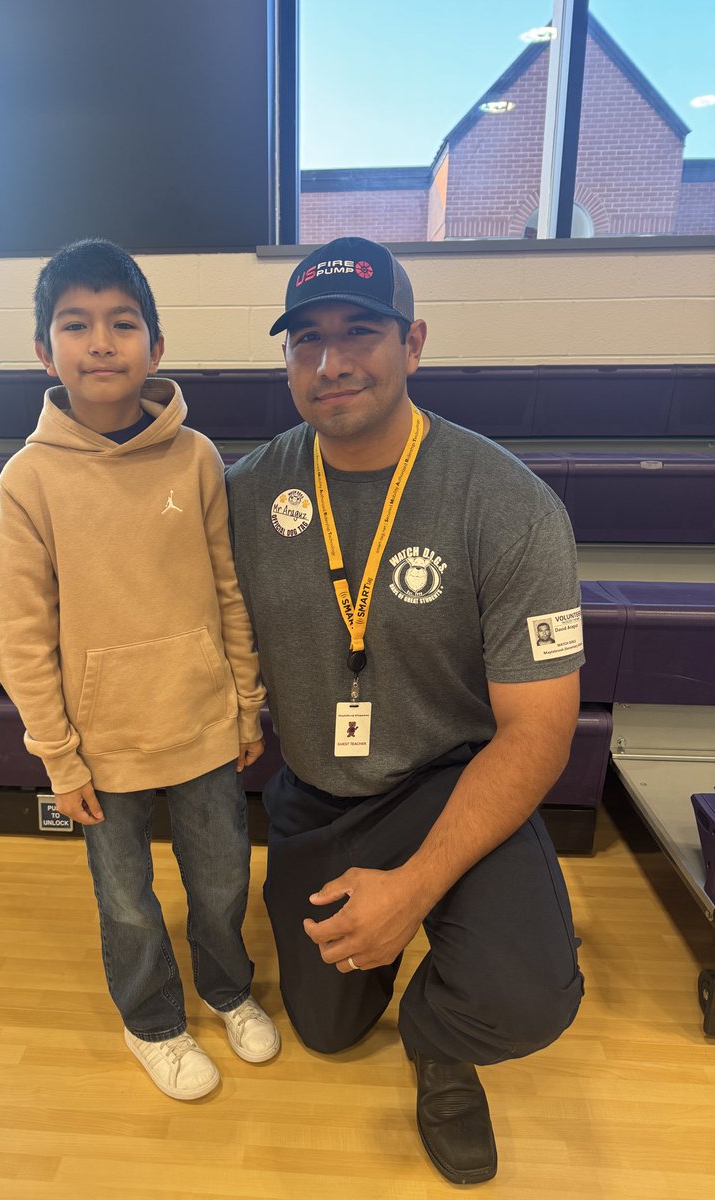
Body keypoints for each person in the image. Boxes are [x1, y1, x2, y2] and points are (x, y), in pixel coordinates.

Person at [226, 236, 585, 1184]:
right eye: (305, 340)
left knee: (530, 998)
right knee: (327, 1030)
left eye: (360, 333)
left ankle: (440, 1044)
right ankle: (376, 944)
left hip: (450, 778)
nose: (331, 362)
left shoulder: (507, 506)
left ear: (413, 343)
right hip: (317, 790)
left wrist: (415, 888)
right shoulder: (247, 492)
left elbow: (541, 732)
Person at [0, 238, 279, 1102]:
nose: (101, 341)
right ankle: (152, 1021)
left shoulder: (196, 458)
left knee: (223, 877)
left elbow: (230, 591)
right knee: (125, 899)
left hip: (202, 727)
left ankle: (226, 990)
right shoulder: (27, 482)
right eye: (76, 325)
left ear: (156, 345)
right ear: (46, 351)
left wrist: (245, 704)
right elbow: (19, 633)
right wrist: (58, 755)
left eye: (122, 323)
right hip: (101, 747)